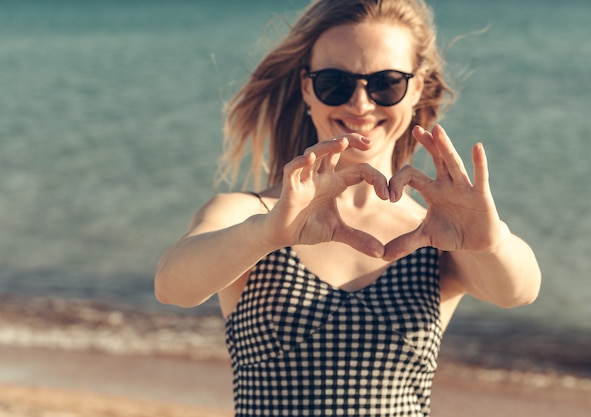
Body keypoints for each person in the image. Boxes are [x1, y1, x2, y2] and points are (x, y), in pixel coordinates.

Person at [154, 0, 541, 415]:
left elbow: (518, 291)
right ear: (307, 87)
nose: (360, 103)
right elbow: (173, 287)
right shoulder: (252, 217)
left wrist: (490, 241)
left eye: (386, 83)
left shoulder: (437, 232)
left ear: (418, 87)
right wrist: (268, 233)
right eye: (336, 83)